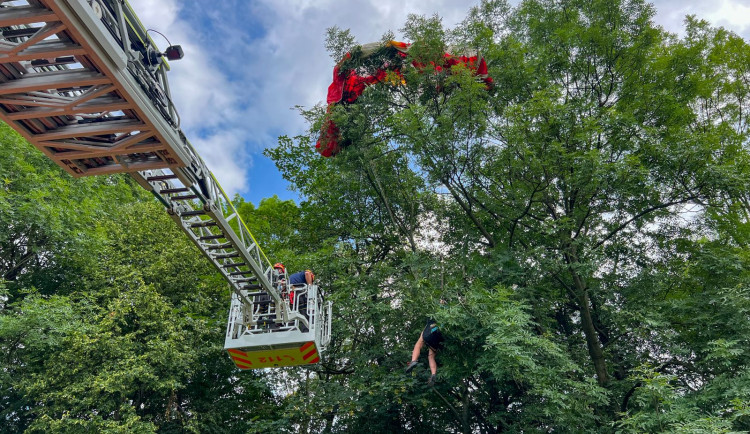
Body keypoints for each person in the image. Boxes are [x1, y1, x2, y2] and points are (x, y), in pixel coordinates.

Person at [405, 316, 444, 386]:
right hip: (440, 336)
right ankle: (433, 374)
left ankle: (413, 361)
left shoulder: (433, 314)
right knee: (431, 356)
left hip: (432, 329)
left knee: (418, 344)